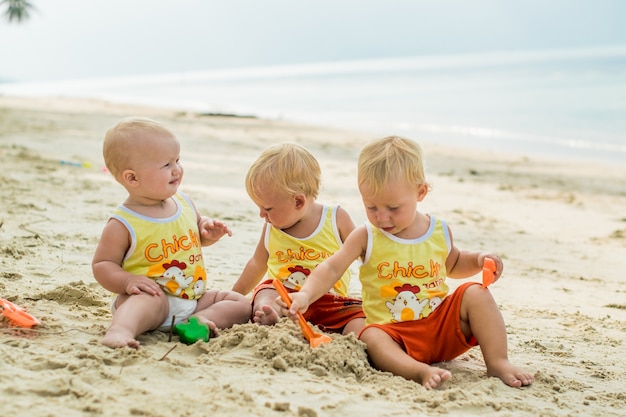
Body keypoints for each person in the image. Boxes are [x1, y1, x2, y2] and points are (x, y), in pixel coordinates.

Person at [288, 136, 534, 389]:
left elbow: (455, 263)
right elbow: (331, 267)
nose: (382, 217)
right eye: (371, 207)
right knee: (370, 335)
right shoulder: (366, 235)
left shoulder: (438, 230)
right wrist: (306, 294)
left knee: (476, 293)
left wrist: (480, 260)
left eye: (393, 207)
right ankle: (417, 371)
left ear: (420, 192)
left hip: (441, 327)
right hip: (395, 335)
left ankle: (498, 362)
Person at [92, 117, 251, 349]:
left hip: (193, 298)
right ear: (132, 178)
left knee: (239, 303)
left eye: (177, 160)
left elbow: (194, 235)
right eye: (166, 165)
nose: (177, 169)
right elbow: (103, 264)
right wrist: (127, 281)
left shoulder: (184, 203)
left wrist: (206, 231)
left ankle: (199, 321)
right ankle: (121, 330)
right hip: (152, 299)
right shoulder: (124, 222)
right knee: (143, 304)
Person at [231, 143, 365, 336]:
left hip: (327, 299)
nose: (261, 214)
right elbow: (257, 264)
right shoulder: (272, 226)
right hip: (282, 296)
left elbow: (364, 254)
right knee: (265, 294)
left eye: (267, 208)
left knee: (358, 316)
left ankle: (353, 336)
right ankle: (271, 316)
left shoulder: (336, 218)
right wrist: (235, 295)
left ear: (298, 201)